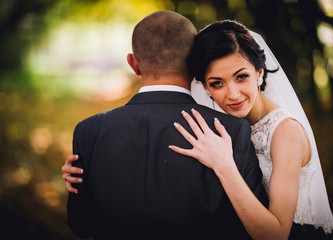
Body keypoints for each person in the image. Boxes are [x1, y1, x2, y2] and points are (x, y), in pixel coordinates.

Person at [65, 11, 267, 239]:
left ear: (133, 63)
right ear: (194, 63)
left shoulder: (89, 131)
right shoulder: (229, 130)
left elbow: (81, 225)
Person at [168, 20, 333, 239]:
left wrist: (223, 165)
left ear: (259, 72)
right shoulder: (223, 125)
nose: (233, 94)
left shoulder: (286, 132)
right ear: (204, 87)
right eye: (217, 83)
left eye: (241, 77)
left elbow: (276, 234)